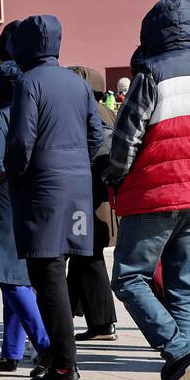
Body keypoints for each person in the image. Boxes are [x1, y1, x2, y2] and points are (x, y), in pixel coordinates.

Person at [103, 0, 190, 380]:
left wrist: (113, 176)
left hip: (155, 194)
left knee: (127, 278)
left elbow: (127, 138)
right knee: (180, 286)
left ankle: (177, 352)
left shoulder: (151, 74)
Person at [5, 16, 103, 380]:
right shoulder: (77, 82)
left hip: (42, 189)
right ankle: (62, 360)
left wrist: (15, 176)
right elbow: (97, 136)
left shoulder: (28, 83)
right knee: (59, 271)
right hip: (77, 188)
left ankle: (64, 365)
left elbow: (20, 143)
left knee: (46, 276)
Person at [0, 61, 51, 373]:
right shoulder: (37, 114)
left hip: (5, 195)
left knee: (9, 274)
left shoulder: (0, 118)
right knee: (21, 275)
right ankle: (11, 350)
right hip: (36, 193)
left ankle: (46, 344)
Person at [67, 66, 120, 341]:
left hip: (84, 195)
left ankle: (101, 322)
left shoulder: (84, 112)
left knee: (87, 257)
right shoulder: (107, 111)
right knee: (83, 256)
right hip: (101, 198)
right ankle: (82, 314)